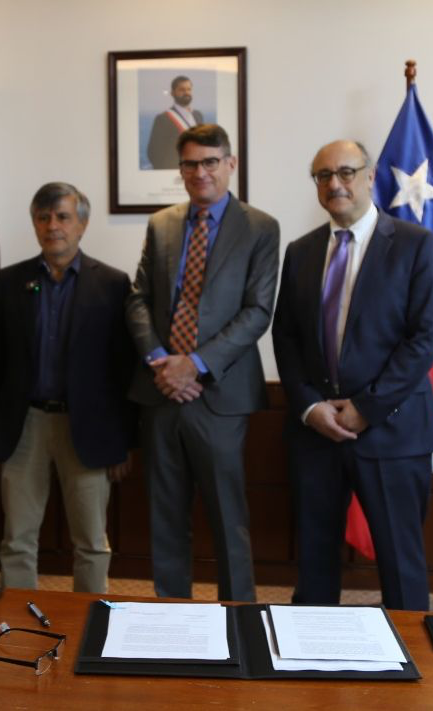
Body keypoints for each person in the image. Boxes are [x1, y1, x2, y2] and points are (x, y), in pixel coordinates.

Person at [272, 139, 433, 611]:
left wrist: (365, 409)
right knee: (314, 564)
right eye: (323, 176)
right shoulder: (300, 252)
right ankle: (309, 659)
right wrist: (310, 406)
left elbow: (425, 339)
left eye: (346, 172)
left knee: (401, 564)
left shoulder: (417, 245)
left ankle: (408, 667)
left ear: (370, 176)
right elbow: (285, 337)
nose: (335, 184)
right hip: (316, 433)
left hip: (392, 430)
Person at [126, 123, 279, 602]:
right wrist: (160, 361)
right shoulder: (162, 223)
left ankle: (238, 615)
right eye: (190, 163)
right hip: (160, 390)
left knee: (227, 517)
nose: (200, 172)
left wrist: (194, 364)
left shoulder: (260, 227)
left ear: (230, 164)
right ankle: (172, 612)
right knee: (165, 515)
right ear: (181, 169)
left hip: (220, 394)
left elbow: (258, 311)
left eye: (210, 162)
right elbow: (138, 299)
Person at [0, 182, 136, 594]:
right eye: (43, 217)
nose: (53, 226)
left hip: (88, 429)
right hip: (23, 425)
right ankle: (14, 626)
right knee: (16, 540)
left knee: (91, 543)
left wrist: (123, 443)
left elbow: (124, 370)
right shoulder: (7, 283)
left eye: (63, 217)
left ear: (82, 224)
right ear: (34, 223)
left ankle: (88, 628)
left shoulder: (114, 284)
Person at [146, 75, 204, 170]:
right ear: (173, 93)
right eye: (182, 90)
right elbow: (153, 152)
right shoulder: (163, 119)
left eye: (189, 89)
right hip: (175, 172)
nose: (186, 92)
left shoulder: (198, 115)